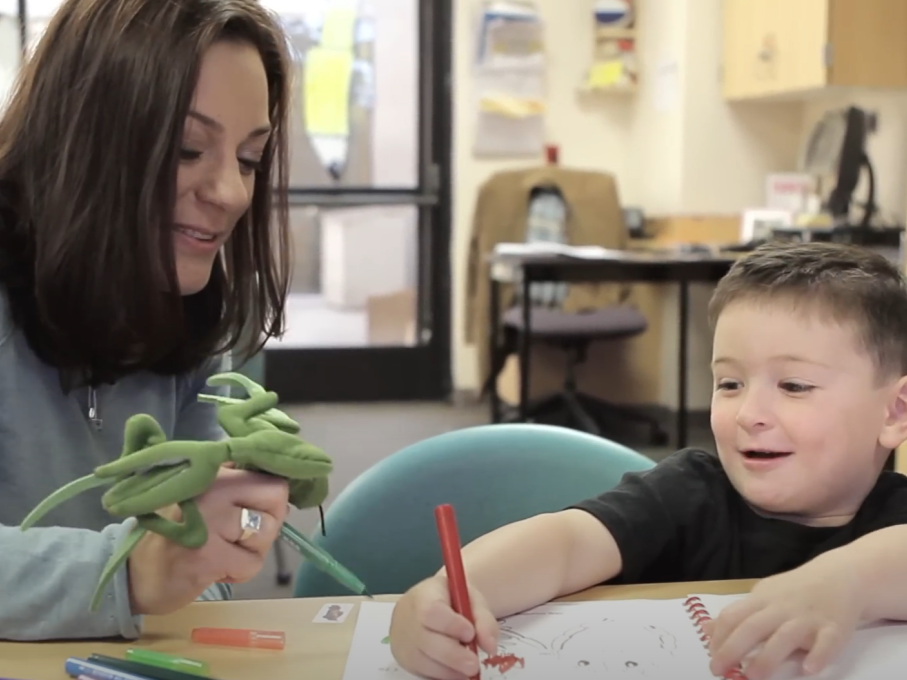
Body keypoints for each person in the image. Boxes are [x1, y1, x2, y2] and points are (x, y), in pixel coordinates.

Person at [389, 241, 907, 680]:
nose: (750, 413)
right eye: (729, 383)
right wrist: (447, 596)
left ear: (894, 412)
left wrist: (850, 582)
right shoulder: (689, 493)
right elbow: (564, 544)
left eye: (794, 386)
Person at [0, 0, 297, 641]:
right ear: (84, 137)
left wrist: (220, 539)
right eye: (189, 149)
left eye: (249, 159)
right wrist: (129, 574)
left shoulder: (198, 315)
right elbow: (149, 577)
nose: (231, 193)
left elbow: (198, 578)